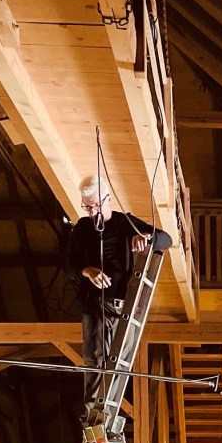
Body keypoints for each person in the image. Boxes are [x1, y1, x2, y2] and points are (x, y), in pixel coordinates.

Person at [65, 174, 173, 420]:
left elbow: (166, 239)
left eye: (96, 205)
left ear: (108, 199)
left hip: (124, 306)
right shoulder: (82, 229)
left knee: (115, 361)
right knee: (94, 359)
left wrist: (146, 238)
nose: (93, 212)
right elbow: (70, 267)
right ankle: (93, 417)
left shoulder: (124, 223)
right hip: (95, 304)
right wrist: (87, 271)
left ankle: (104, 417)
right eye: (87, 207)